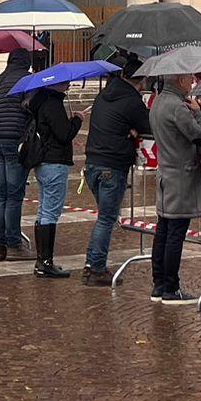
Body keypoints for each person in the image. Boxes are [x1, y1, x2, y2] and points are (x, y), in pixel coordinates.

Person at [82, 56, 153, 282]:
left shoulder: (104, 95)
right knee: (106, 218)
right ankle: (97, 268)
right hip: (112, 165)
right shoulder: (133, 101)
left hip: (92, 163)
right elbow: (148, 126)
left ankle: (90, 264)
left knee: (104, 217)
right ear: (141, 82)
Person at [149, 71, 201, 301]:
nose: (192, 82)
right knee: (174, 234)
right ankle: (171, 287)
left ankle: (159, 283)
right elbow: (198, 133)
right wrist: (199, 113)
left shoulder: (159, 102)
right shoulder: (177, 106)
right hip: (180, 176)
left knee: (163, 231)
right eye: (190, 79)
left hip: (165, 173)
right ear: (181, 80)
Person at [27, 81, 81, 279]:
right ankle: (45, 262)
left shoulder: (41, 102)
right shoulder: (52, 104)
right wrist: (77, 121)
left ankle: (42, 260)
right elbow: (64, 134)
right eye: (65, 83)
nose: (69, 85)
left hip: (44, 162)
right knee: (50, 212)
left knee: (43, 210)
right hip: (54, 162)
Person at [0, 48, 36, 257]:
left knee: (1, 194)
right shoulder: (28, 79)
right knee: (14, 195)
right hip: (14, 139)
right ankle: (14, 244)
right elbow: (32, 106)